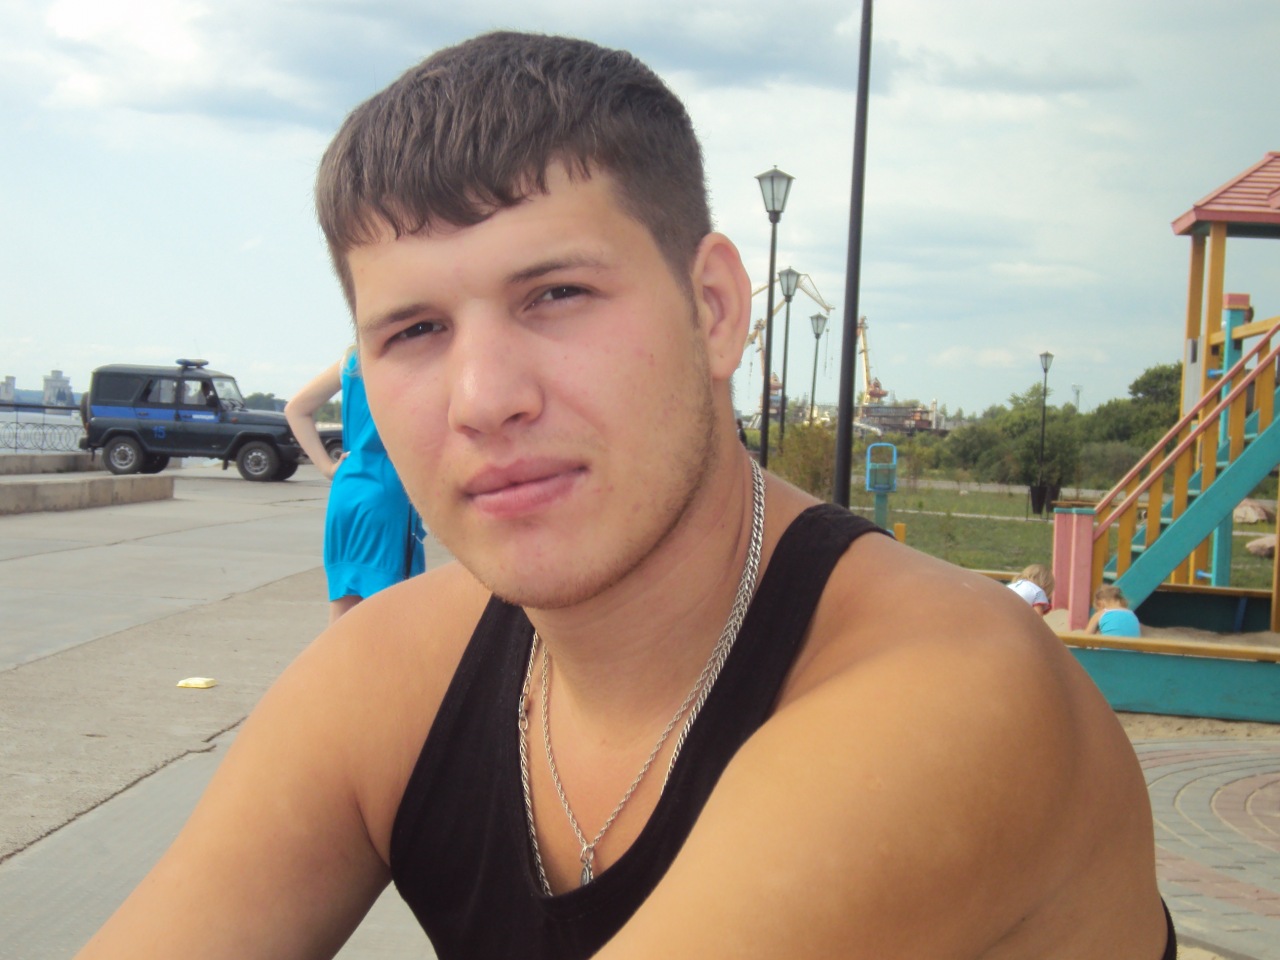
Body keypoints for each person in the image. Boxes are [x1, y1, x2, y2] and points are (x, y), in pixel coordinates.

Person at [75, 32, 1174, 960]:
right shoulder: (390, 678)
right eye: (414, 331)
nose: (484, 400)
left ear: (714, 310)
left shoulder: (949, 699)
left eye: (555, 293)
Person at [285, 347, 425, 623]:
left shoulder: (352, 360)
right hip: (387, 493)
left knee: (343, 611)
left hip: (346, 491)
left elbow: (295, 409)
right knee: (391, 613)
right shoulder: (411, 357)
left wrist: (327, 467)